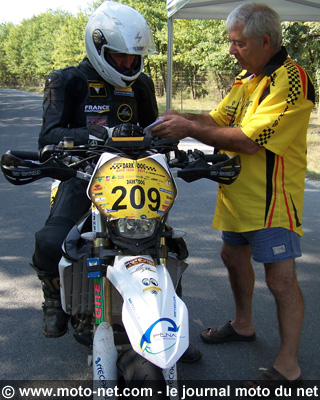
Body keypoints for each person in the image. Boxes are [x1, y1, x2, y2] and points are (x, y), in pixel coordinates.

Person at [150, 2, 315, 390]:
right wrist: (184, 120)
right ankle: (243, 325)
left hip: (272, 201)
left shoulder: (290, 80)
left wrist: (188, 130)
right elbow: (218, 120)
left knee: (280, 281)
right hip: (236, 195)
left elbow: (249, 141)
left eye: (237, 43)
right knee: (230, 256)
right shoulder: (249, 78)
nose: (231, 50)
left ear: (265, 40)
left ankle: (288, 365)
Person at [31, 0, 201, 364]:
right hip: (82, 178)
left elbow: (156, 131)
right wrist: (98, 134)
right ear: (98, 46)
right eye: (119, 56)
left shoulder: (141, 85)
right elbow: (48, 137)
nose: (127, 64)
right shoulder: (66, 80)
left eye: (132, 57)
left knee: (166, 246)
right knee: (49, 240)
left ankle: (168, 326)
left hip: (138, 179)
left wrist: (172, 140)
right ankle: (53, 296)